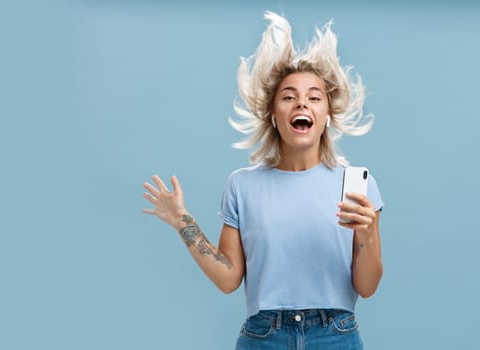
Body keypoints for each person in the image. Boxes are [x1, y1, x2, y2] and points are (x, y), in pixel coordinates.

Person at [141, 11, 383, 349]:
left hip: (335, 335)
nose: (302, 102)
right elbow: (228, 279)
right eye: (288, 96)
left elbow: (367, 286)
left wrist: (368, 232)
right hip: (264, 336)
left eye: (314, 97)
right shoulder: (243, 186)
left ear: (327, 114)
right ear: (273, 113)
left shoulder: (357, 185)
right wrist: (182, 222)